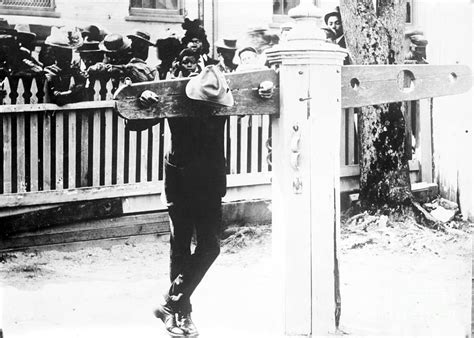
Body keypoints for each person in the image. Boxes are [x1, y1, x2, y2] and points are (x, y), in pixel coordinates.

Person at [137, 65, 274, 337]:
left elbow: (260, 97)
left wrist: (264, 90)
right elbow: (135, 121)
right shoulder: (176, 100)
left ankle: (169, 301)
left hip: (210, 184)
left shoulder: (220, 101)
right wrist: (145, 99)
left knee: (210, 247)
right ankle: (181, 314)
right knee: (180, 248)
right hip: (180, 183)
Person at [43, 26, 86, 105]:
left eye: (68, 52)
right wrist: (69, 93)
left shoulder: (73, 70)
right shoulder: (51, 71)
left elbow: (82, 86)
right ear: (56, 53)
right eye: (62, 52)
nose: (67, 56)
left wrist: (70, 92)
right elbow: (58, 99)